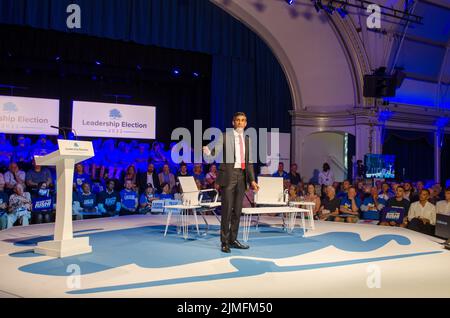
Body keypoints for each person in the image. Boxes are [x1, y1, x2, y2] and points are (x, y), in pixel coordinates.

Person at [203, 112, 259, 253]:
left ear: (246, 123)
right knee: (227, 210)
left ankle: (233, 239)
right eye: (238, 120)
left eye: (243, 120)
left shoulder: (247, 140)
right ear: (233, 122)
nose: (240, 123)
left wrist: (252, 180)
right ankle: (224, 242)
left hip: (242, 176)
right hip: (228, 176)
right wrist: (209, 152)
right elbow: (215, 149)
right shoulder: (225, 136)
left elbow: (250, 162)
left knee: (237, 211)